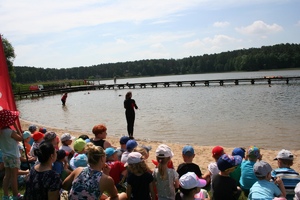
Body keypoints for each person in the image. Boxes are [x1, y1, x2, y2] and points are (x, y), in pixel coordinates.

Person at [62, 143, 127, 200]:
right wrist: (106, 175)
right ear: (102, 158)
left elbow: (65, 185)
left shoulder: (79, 169)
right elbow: (114, 195)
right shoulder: (106, 179)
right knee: (123, 195)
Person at [0, 109, 23, 200]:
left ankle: (5, 195)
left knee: (7, 175)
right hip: (13, 156)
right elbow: (20, 138)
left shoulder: (1, 132)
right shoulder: (10, 132)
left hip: (5, 156)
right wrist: (16, 126)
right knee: (14, 176)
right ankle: (15, 195)